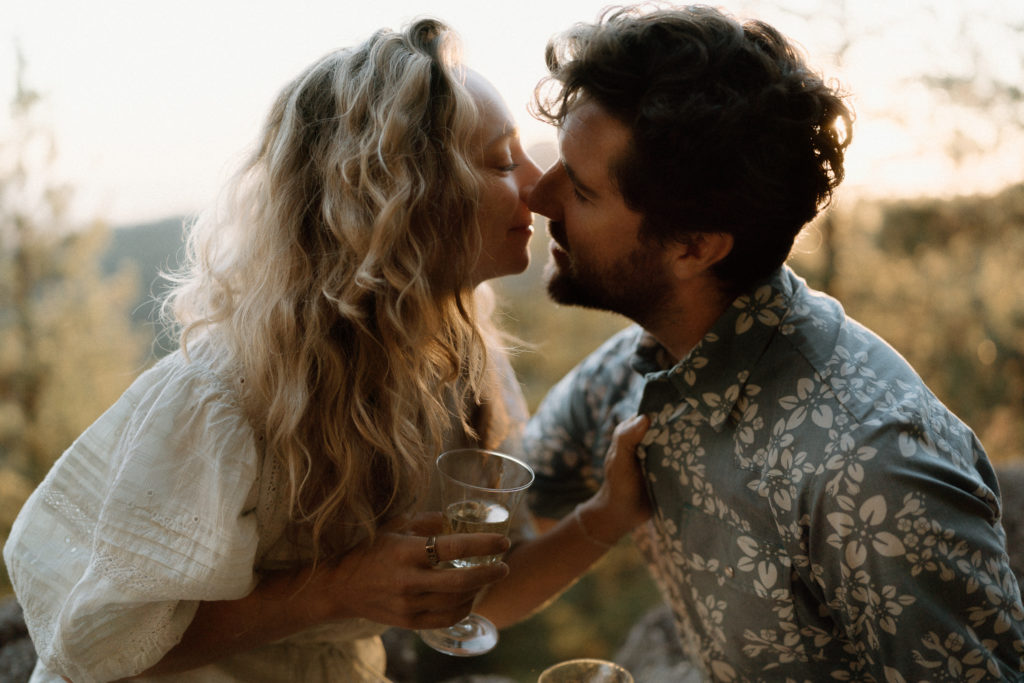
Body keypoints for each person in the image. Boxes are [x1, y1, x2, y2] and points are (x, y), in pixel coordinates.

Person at [476, 4, 1024, 680]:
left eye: (583, 190)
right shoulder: (634, 370)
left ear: (694, 246)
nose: (541, 197)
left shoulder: (877, 467)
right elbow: (494, 519)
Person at [3, 18, 543, 682]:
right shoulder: (225, 396)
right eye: (503, 162)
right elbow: (100, 647)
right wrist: (335, 589)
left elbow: (484, 590)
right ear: (403, 201)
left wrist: (612, 512)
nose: (539, 183)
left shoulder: (464, 367)